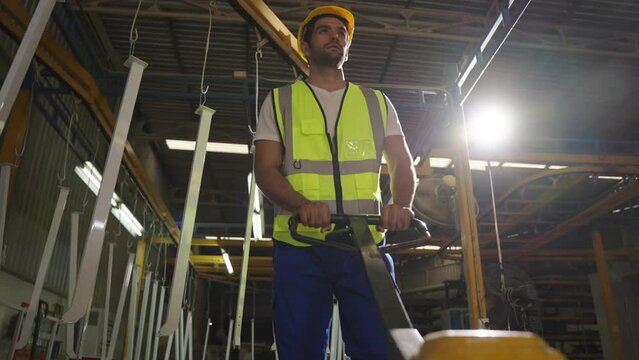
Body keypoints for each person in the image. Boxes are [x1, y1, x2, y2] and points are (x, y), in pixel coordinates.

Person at [254, 5, 416, 360]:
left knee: (379, 348)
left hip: (365, 244)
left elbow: (402, 162)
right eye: (325, 30)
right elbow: (265, 169)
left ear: (347, 47)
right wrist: (301, 205)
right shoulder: (280, 101)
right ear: (306, 46)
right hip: (300, 244)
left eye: (342, 32)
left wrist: (401, 205)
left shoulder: (376, 102)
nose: (336, 36)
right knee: (299, 349)